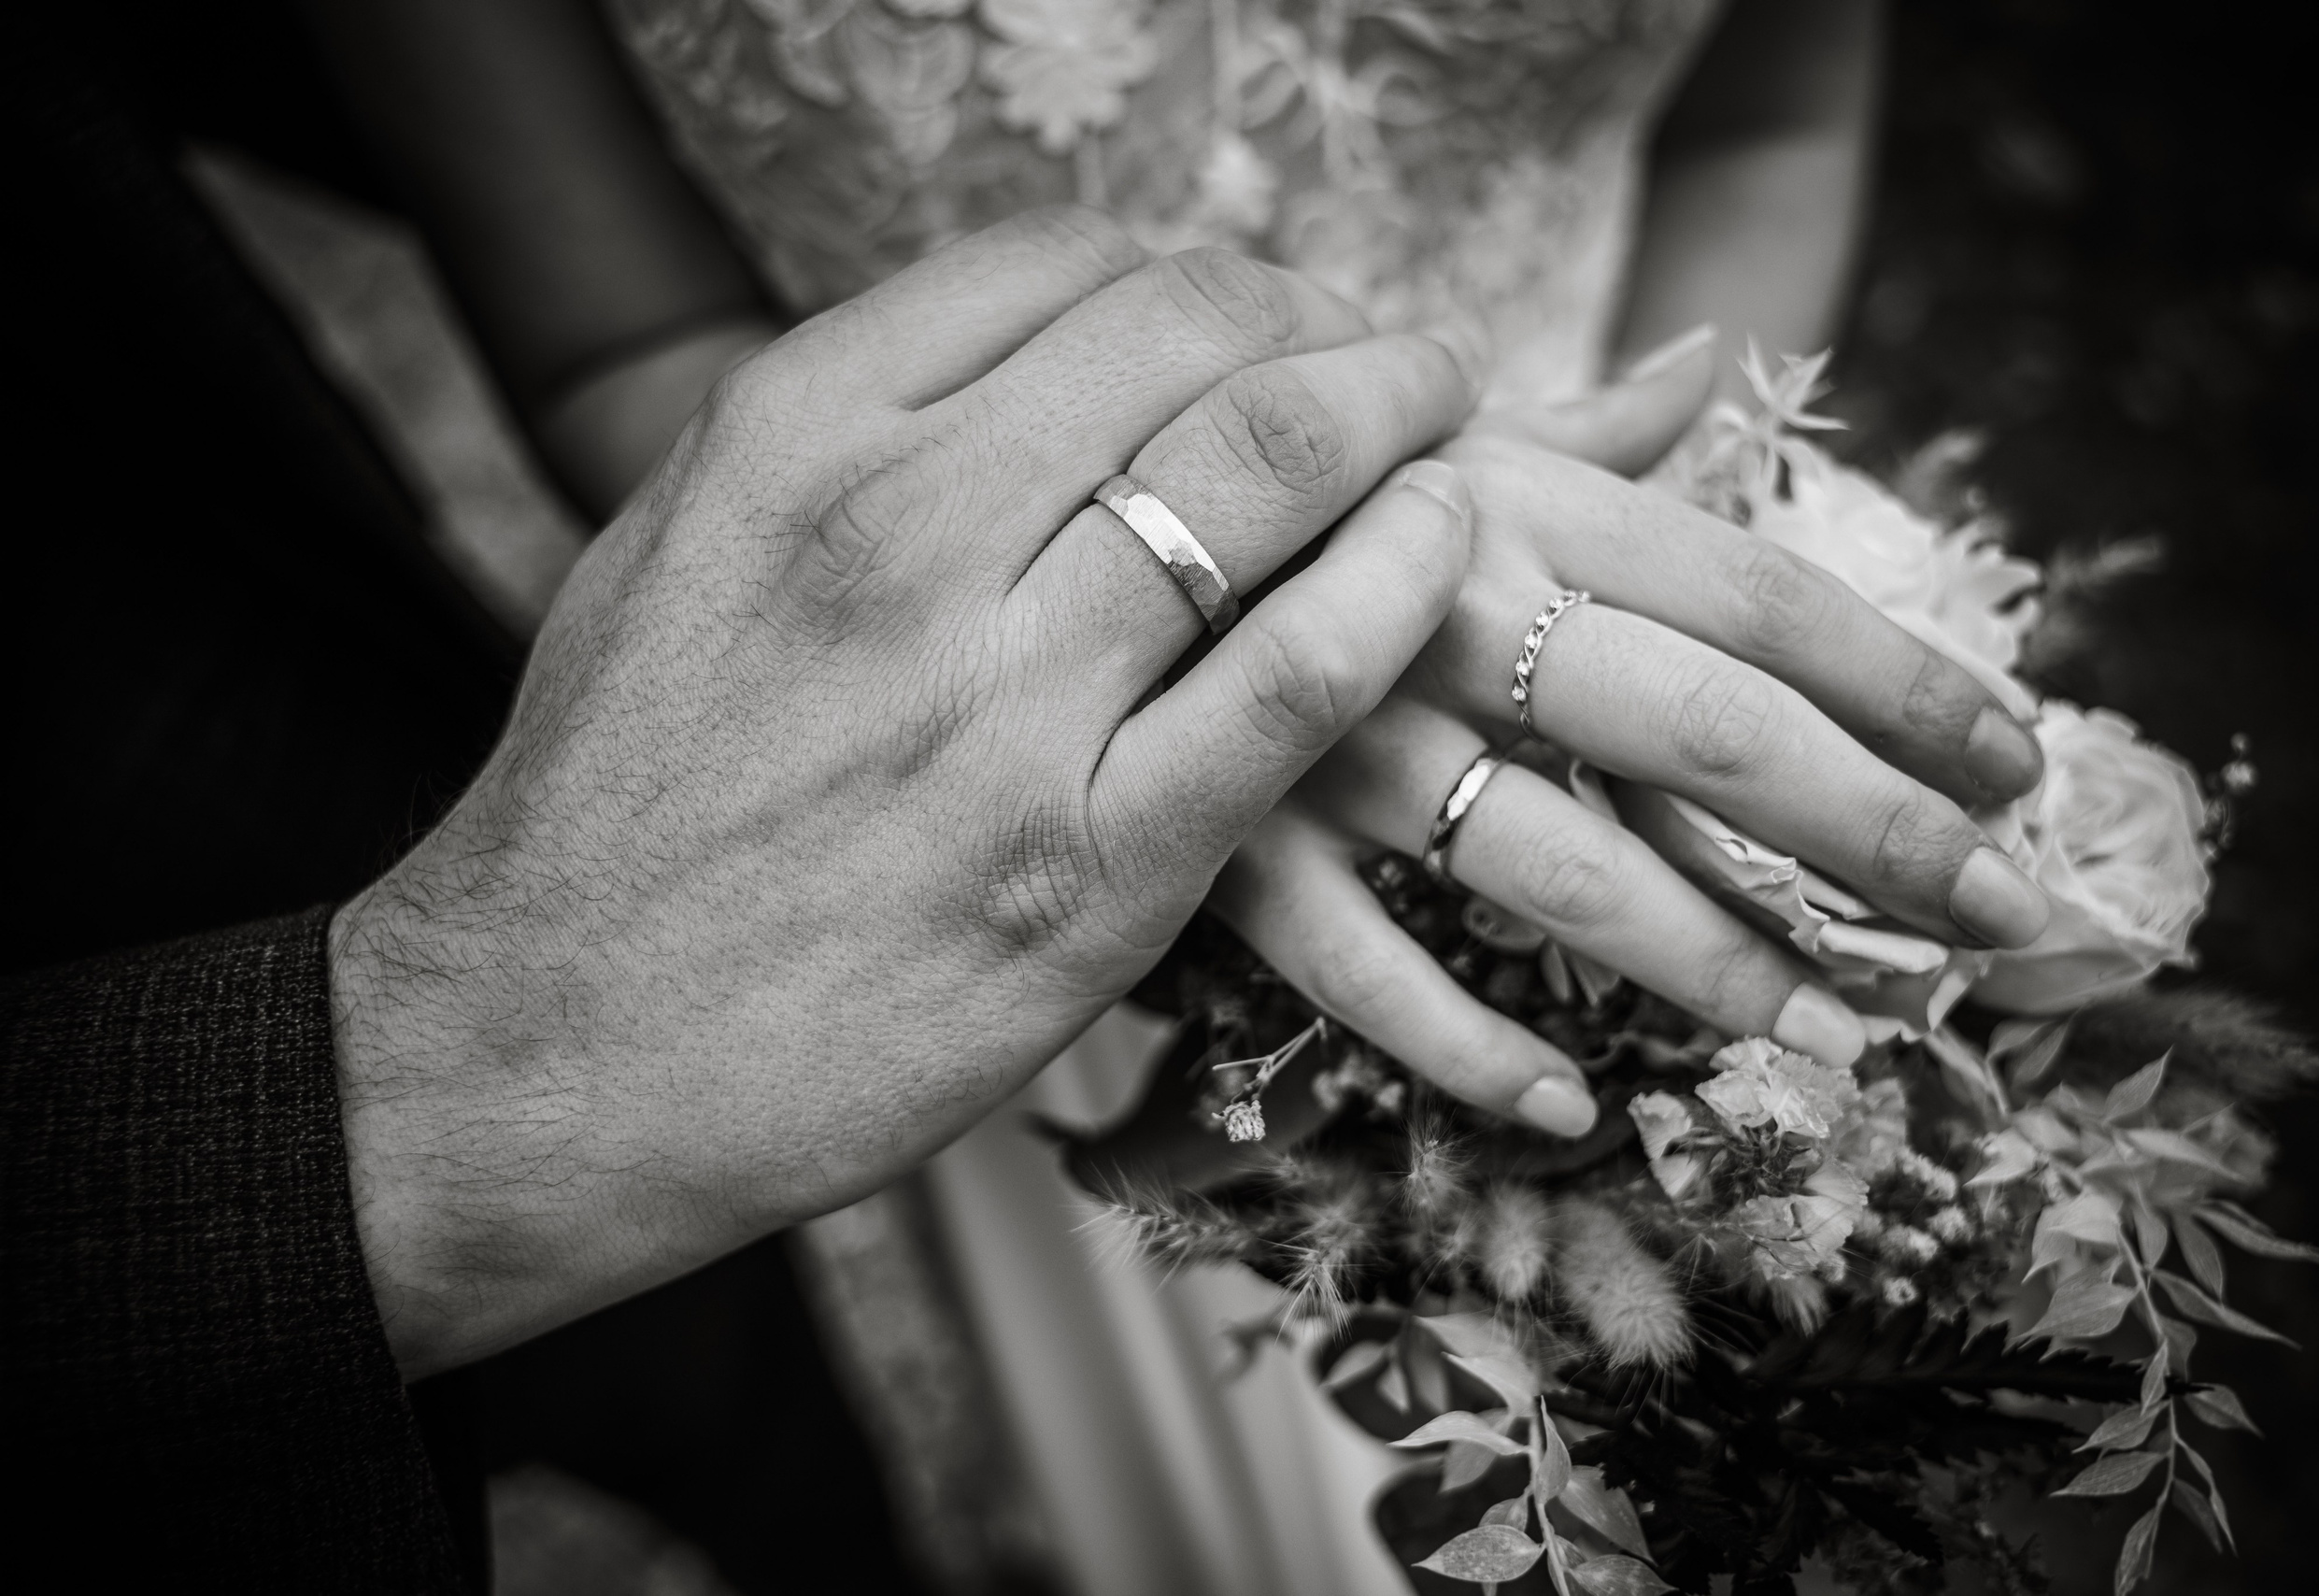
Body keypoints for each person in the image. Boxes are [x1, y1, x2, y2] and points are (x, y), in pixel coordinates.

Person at [289, 4, 2056, 1588]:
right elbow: (626, 331)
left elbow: (1768, 124)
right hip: (1012, 765)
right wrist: (1206, 662)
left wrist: (1627, 557)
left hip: (1604, 611)